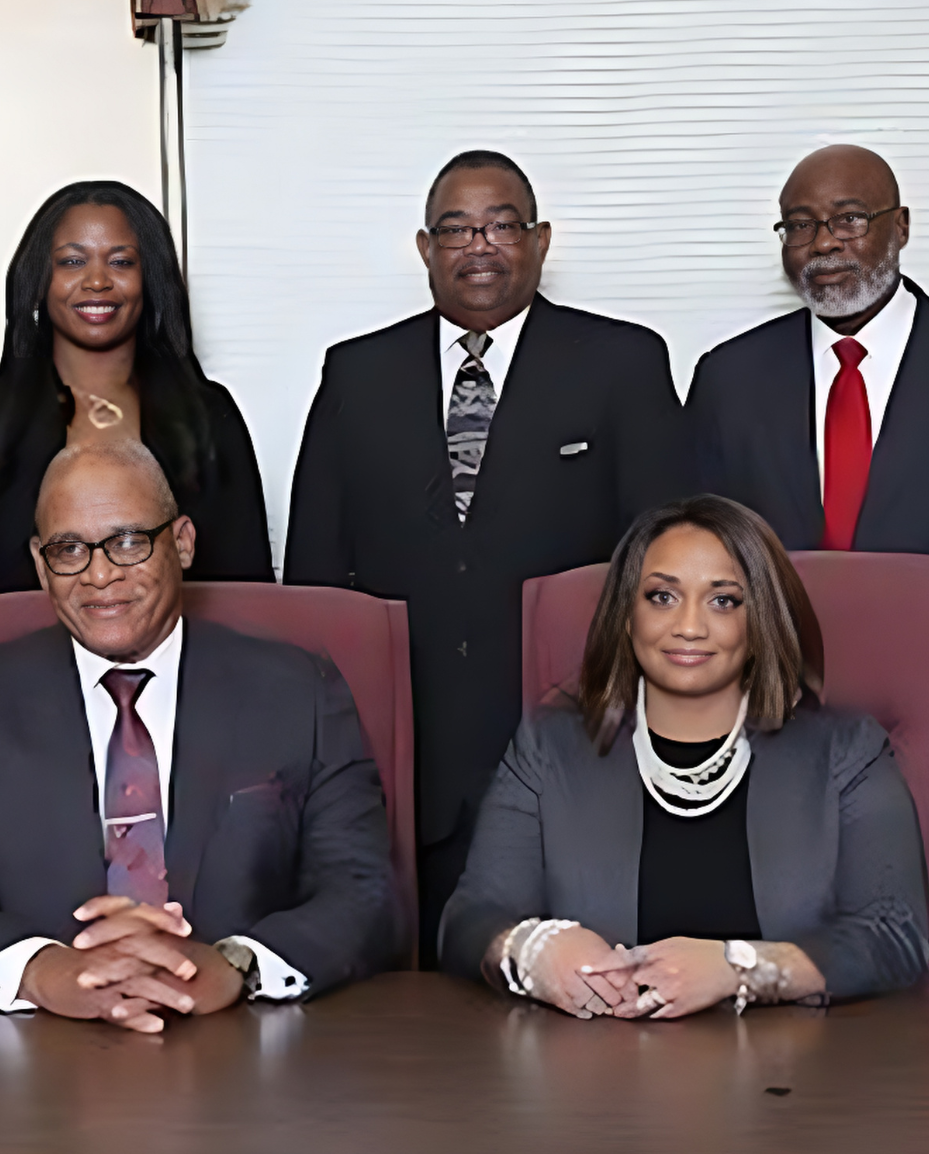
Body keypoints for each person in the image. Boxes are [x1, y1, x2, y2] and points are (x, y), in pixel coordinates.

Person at [284, 150, 694, 961]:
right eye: (456, 229)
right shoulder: (357, 373)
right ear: (424, 248)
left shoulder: (622, 362)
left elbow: (667, 561)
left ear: (541, 241)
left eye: (502, 225)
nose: (480, 245)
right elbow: (317, 579)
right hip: (409, 757)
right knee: (417, 990)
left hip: (579, 742)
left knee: (587, 974)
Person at [0, 441, 397, 1033]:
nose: (100, 575)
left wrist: (237, 964)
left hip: (247, 1042)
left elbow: (363, 891)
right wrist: (43, 971)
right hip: (36, 1046)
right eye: (68, 550)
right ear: (40, 564)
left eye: (128, 541)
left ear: (182, 542)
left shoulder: (299, 690)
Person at [439, 495, 929, 1018]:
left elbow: (896, 935)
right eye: (662, 597)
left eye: (723, 601)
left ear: (761, 620)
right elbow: (471, 918)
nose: (689, 626)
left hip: (791, 1062)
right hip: (596, 1059)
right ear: (627, 615)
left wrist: (744, 969)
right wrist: (532, 951)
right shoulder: (549, 748)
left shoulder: (845, 753)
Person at [688, 144, 929, 678]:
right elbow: (702, 557)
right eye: (799, 225)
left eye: (849, 219)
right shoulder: (728, 377)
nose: (823, 242)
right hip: (770, 696)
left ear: (901, 227)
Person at [0, 181, 272, 605]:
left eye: (121, 262)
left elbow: (248, 593)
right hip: (13, 647)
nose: (96, 281)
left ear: (150, 280)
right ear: (39, 280)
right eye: (72, 261)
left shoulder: (209, 413)